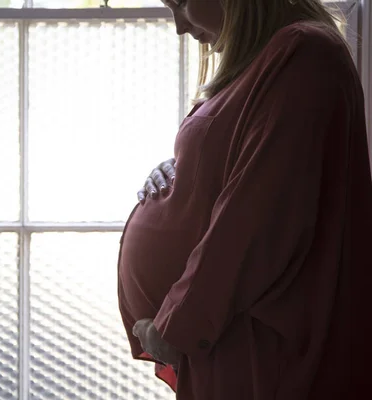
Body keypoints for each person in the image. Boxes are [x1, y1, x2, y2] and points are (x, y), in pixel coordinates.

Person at [117, 0, 372, 399]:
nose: (179, 27)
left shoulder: (303, 53)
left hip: (262, 354)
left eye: (181, 3)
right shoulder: (269, 59)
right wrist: (178, 171)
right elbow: (245, 170)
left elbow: (255, 223)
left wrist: (177, 328)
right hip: (233, 343)